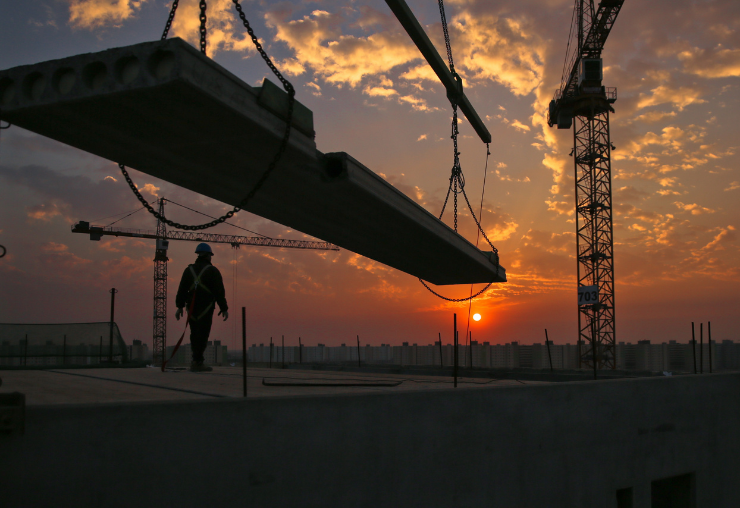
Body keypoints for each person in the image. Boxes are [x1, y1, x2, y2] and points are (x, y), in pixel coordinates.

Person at [175, 243, 228, 372]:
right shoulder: (212, 271)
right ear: (208, 255)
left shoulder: (189, 270)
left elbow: (182, 289)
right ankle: (198, 362)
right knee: (203, 334)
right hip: (206, 308)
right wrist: (224, 308)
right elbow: (219, 291)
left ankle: (196, 360)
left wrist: (180, 307)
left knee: (194, 334)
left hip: (192, 308)